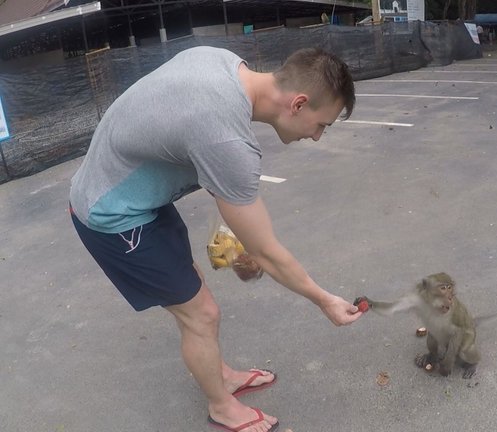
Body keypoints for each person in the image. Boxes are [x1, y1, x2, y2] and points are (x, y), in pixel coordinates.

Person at [69, 46, 361, 432]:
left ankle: (218, 375)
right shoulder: (226, 141)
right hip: (110, 214)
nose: (319, 136)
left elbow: (188, 135)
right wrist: (325, 301)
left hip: (139, 195)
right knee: (201, 314)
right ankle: (221, 407)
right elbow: (267, 253)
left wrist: (237, 237)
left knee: (195, 290)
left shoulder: (221, 61)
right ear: (299, 103)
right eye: (322, 124)